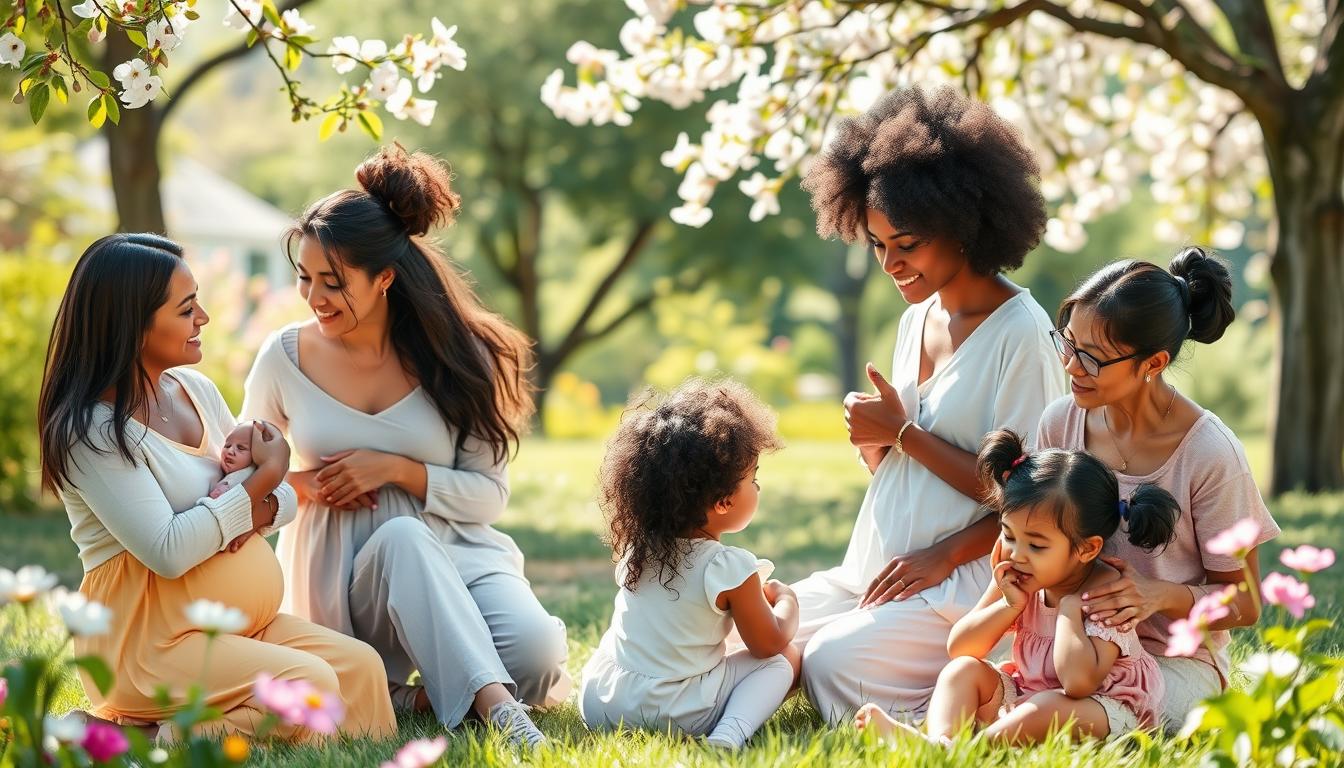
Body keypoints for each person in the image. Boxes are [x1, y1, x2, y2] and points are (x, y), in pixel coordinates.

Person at [242, 144, 566, 748]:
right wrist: (309, 483)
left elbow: (488, 498)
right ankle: (490, 709)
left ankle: (423, 691)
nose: (314, 297)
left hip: (459, 552)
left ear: (385, 278)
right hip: (340, 569)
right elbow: (242, 477)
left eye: (333, 282)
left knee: (538, 661)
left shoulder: (464, 358)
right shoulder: (283, 358)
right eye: (305, 278)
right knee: (400, 537)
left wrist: (398, 470)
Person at [37, 233, 395, 742]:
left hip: (240, 625)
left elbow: (286, 505)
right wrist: (264, 481)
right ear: (133, 327)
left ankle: (245, 732)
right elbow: (170, 549)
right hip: (151, 642)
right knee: (309, 684)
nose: (203, 317)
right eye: (186, 309)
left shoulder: (196, 391)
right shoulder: (93, 432)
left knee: (361, 670)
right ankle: (136, 739)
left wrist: (263, 493)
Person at [791, 84, 1065, 723]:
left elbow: (1030, 497)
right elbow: (911, 467)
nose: (890, 263)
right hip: (881, 568)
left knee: (829, 662)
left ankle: (962, 704)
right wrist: (878, 446)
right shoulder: (919, 315)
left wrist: (907, 436)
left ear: (963, 226)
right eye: (879, 245)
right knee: (759, 634)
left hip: (965, 585)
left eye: (905, 244)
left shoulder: (1021, 335)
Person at [1035, 247, 1281, 729]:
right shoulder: (1060, 424)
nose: (1071, 366)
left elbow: (1247, 602)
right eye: (1068, 343)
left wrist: (1159, 595)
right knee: (976, 680)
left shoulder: (1210, 454)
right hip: (1073, 647)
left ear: (1153, 363)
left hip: (1175, 662)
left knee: (1058, 715)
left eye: (1093, 357)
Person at [856, 429, 1178, 744]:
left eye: (1036, 545)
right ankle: (941, 740)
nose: (1017, 554)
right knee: (962, 671)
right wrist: (1008, 606)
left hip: (1103, 709)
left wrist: (1069, 611)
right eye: (1009, 536)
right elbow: (961, 648)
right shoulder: (1017, 577)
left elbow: (1077, 683)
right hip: (1029, 694)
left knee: (1047, 706)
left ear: (1086, 549)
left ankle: (964, 752)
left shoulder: (1108, 592)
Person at [579, 380, 798, 749]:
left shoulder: (640, 549)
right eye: (753, 479)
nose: (757, 488)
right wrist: (788, 600)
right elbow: (769, 643)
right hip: (676, 712)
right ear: (724, 502)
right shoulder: (729, 567)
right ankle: (728, 736)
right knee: (785, 661)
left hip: (604, 704)